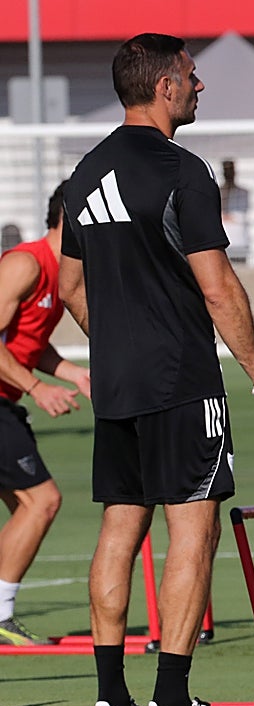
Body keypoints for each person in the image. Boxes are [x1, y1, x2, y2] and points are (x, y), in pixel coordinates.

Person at [58, 33, 254, 706]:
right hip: (183, 380)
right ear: (163, 85)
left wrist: (122, 343)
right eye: (192, 76)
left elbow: (70, 284)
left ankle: (110, 703)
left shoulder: (87, 171)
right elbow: (218, 288)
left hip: (119, 381)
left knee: (119, 527)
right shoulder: (183, 171)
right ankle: (170, 703)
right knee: (193, 527)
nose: (199, 87)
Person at [0, 183, 91, 645]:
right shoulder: (26, 263)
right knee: (42, 501)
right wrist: (37, 388)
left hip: (5, 402)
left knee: (27, 507)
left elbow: (26, 341)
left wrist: (73, 373)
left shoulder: (62, 274)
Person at [219, 160, 250, 263]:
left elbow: (241, 216)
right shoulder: (218, 192)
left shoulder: (243, 192)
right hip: (222, 242)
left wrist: (227, 217)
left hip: (239, 241)